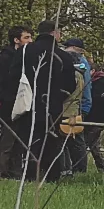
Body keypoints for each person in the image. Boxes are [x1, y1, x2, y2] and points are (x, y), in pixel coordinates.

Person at [14, 22, 77, 182]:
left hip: (27, 103)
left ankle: (28, 175)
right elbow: (71, 85)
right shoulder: (63, 56)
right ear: (54, 33)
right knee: (51, 140)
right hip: (52, 105)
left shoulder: (25, 51)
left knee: (29, 139)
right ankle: (51, 176)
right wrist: (57, 97)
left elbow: (12, 74)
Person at [0, 25, 33, 179]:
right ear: (16, 40)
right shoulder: (6, 58)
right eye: (26, 37)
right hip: (9, 104)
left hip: (20, 103)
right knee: (8, 138)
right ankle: (3, 170)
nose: (30, 41)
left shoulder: (24, 57)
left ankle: (14, 171)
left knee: (18, 139)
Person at [60, 38, 94, 176]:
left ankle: (77, 169)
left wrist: (85, 107)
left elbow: (85, 90)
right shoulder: (80, 69)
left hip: (73, 109)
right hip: (77, 107)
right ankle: (75, 169)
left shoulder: (78, 68)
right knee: (72, 139)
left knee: (74, 139)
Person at [81, 46, 104, 174]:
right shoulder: (93, 82)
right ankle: (101, 167)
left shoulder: (100, 82)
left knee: (88, 142)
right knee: (93, 144)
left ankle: (96, 167)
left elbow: (98, 99)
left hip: (97, 118)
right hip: (91, 117)